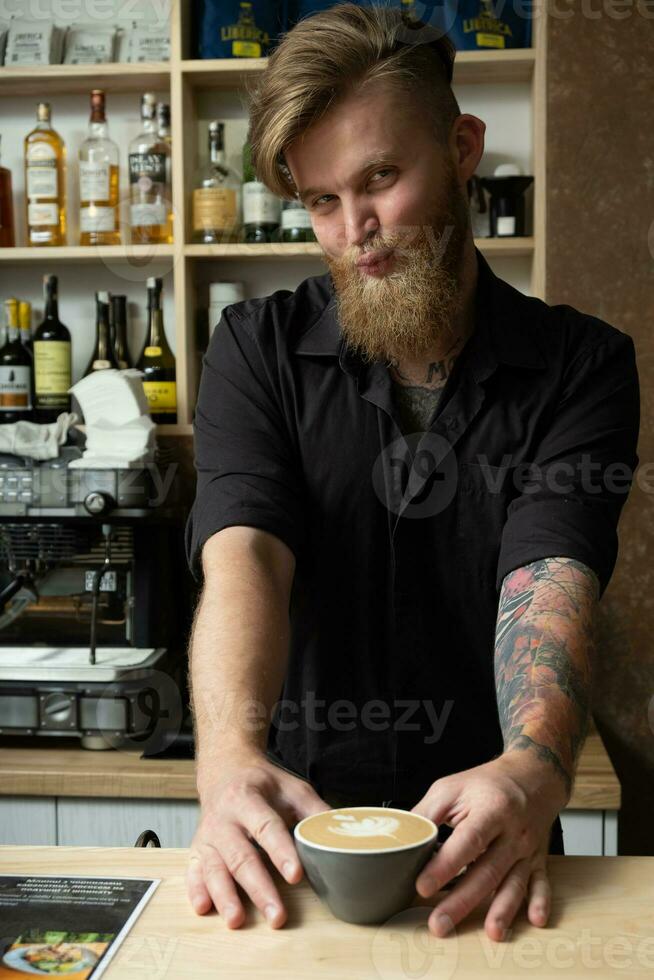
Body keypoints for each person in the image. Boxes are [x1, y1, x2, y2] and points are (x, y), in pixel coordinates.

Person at [184, 3, 640, 943]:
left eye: (381, 177)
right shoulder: (254, 350)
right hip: (296, 850)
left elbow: (548, 572)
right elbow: (247, 557)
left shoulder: (581, 365)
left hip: (488, 846)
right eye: (319, 201)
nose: (357, 230)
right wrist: (227, 757)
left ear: (464, 147)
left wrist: (536, 768)